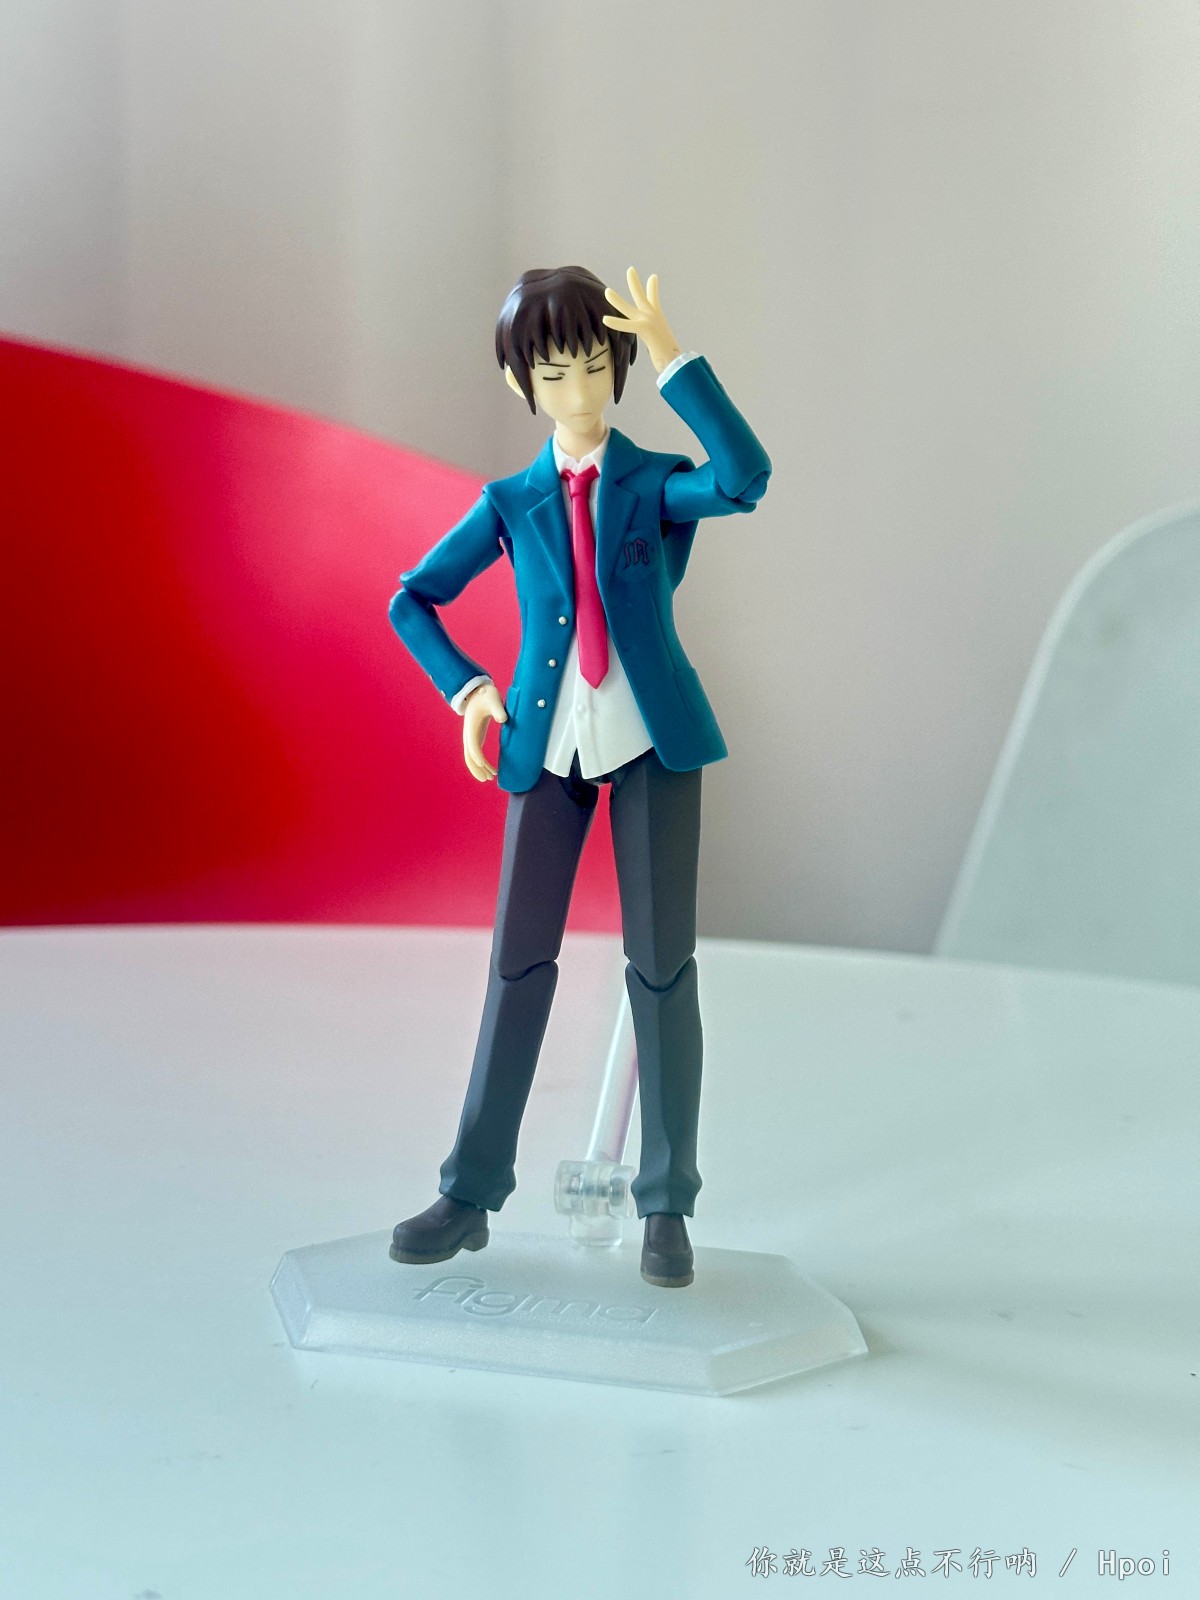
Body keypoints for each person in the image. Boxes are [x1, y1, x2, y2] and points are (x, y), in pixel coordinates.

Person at [388, 265, 770, 1287]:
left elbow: (744, 479)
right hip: (546, 746)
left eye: (595, 366)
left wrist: (677, 357)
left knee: (662, 972)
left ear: (618, 367)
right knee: (517, 968)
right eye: (554, 374)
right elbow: (412, 599)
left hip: (652, 744)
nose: (578, 391)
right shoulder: (510, 502)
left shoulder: (655, 484)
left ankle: (666, 1201)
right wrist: (470, 691)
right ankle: (471, 1190)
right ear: (522, 385)